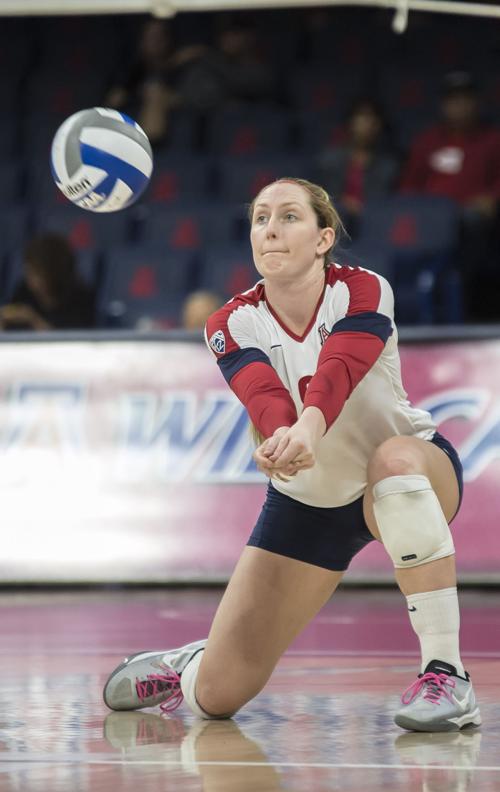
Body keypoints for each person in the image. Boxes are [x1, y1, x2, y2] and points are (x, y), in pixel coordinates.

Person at [103, 177, 480, 733]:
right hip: (310, 500)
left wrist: (307, 427)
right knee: (217, 697)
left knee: (393, 467)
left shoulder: (363, 289)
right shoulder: (229, 322)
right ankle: (191, 664)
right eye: (260, 218)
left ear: (324, 237)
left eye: (288, 216)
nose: (271, 228)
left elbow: (339, 371)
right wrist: (283, 441)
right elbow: (262, 396)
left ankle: (446, 675)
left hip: (411, 465)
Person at [400, 71, 500, 320]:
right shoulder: (427, 142)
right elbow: (409, 187)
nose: (460, 106)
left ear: (476, 103)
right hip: (429, 224)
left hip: (472, 227)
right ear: (443, 105)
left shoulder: (492, 141)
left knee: (471, 222)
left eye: (466, 99)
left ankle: (465, 301)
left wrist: (491, 198)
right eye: (453, 100)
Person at [317, 98, 400, 237]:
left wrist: (362, 209)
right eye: (362, 117)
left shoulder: (389, 166)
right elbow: (318, 200)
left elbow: (386, 205)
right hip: (333, 227)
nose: (367, 124)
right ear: (350, 123)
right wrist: (343, 206)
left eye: (372, 119)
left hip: (374, 229)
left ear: (379, 126)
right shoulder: (328, 161)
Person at [0, 233, 96, 331]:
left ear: (53, 272)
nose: (29, 278)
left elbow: (71, 341)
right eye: (28, 271)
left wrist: (33, 319)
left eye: (36, 272)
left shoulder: (80, 297)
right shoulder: (23, 291)